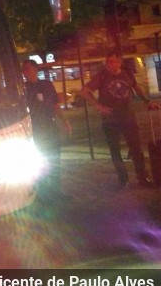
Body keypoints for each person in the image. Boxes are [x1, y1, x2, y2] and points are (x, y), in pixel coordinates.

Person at [80, 51, 159, 188]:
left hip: (128, 117)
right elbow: (85, 91)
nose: (109, 64)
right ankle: (123, 179)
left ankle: (142, 178)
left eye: (113, 61)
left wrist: (147, 102)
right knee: (115, 150)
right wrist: (99, 106)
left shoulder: (127, 74)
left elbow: (136, 87)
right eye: (108, 61)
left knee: (136, 149)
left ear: (119, 62)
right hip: (110, 120)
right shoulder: (102, 76)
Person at [22, 60, 72, 201]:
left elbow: (56, 104)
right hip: (35, 130)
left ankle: (55, 191)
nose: (25, 71)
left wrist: (64, 120)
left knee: (54, 160)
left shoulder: (47, 85)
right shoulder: (23, 89)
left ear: (36, 69)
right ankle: (43, 194)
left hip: (50, 126)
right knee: (40, 162)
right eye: (24, 69)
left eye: (28, 68)